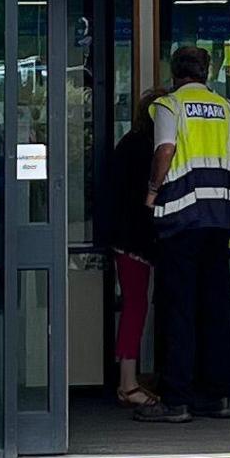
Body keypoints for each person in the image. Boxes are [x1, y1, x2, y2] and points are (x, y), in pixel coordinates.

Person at [141, 44, 230, 424]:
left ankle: (177, 399)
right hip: (220, 218)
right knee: (216, 309)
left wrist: (151, 191)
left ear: (174, 72)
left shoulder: (170, 106)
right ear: (207, 72)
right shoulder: (229, 109)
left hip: (181, 219)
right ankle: (218, 396)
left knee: (178, 310)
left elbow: (165, 149)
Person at [95, 115, 160, 409]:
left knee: (134, 306)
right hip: (135, 241)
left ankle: (127, 379)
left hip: (123, 238)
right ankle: (128, 382)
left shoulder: (128, 145)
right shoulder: (148, 150)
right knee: (136, 307)